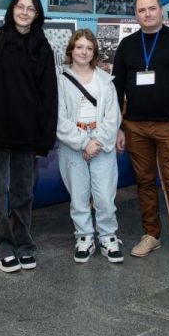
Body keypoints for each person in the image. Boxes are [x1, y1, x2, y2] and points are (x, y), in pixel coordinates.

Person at [0, 0, 57, 273]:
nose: (24, 12)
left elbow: (49, 95)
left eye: (30, 8)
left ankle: (23, 244)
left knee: (23, 193)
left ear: (37, 14)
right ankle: (0, 246)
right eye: (20, 6)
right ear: (11, 9)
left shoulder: (42, 47)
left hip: (27, 133)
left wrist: (45, 137)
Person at [113, 0, 169, 271]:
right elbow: (116, 89)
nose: (147, 14)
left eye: (152, 8)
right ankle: (151, 234)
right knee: (144, 182)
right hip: (135, 126)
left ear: (161, 10)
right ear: (136, 14)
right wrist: (118, 127)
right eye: (142, 10)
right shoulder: (127, 45)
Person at [56, 29, 123, 263]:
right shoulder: (60, 80)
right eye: (79, 47)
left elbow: (113, 116)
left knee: (104, 195)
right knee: (78, 196)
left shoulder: (105, 80)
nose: (84, 52)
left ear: (94, 52)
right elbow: (58, 118)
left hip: (101, 143)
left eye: (89, 48)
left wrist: (97, 142)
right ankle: (84, 236)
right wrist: (84, 142)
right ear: (71, 50)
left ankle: (108, 236)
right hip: (72, 143)